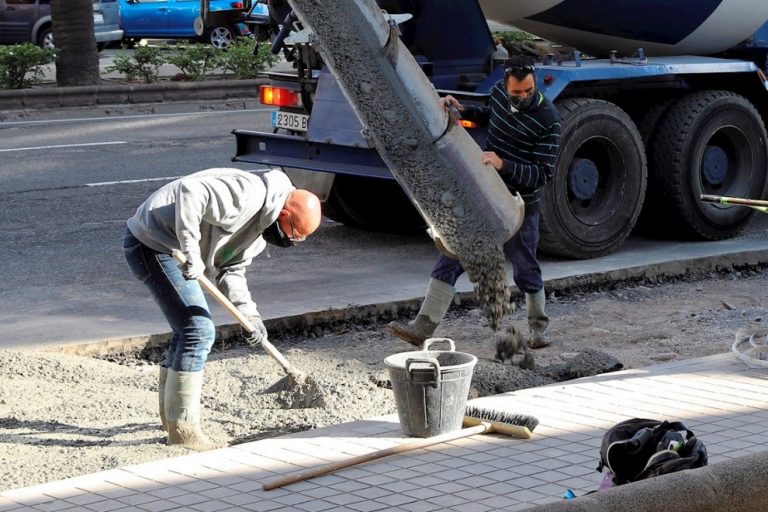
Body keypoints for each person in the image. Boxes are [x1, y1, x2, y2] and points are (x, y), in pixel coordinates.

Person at [122, 167, 321, 450]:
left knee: (187, 331)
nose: (292, 243)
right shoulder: (249, 194)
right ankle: (184, 433)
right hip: (154, 242)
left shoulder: (260, 228)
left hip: (169, 249)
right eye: (294, 236)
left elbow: (232, 269)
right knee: (198, 331)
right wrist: (192, 251)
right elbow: (191, 192)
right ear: (285, 215)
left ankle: (172, 421)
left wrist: (251, 316)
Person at [389, 56, 561, 350]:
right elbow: (489, 114)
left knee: (524, 266)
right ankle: (422, 327)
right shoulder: (498, 93)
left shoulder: (548, 119)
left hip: (519, 205)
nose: (522, 98)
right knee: (453, 254)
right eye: (516, 93)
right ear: (506, 86)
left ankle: (538, 330)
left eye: (528, 92)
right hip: (484, 192)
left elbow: (542, 174)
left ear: (535, 84)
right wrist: (464, 111)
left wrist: (503, 164)